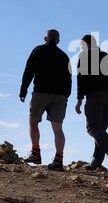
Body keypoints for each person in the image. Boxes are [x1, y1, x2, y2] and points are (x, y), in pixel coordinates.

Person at [19, 29, 71, 170]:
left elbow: (29, 70)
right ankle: (58, 160)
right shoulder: (64, 56)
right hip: (60, 95)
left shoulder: (39, 50)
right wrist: (66, 96)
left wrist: (23, 89)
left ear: (45, 38)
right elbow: (69, 79)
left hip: (41, 92)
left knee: (33, 121)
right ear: (58, 40)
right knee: (58, 128)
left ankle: (35, 153)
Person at [74, 33, 108, 172]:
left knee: (92, 128)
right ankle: (96, 161)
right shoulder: (107, 57)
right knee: (100, 130)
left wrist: (79, 100)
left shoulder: (84, 57)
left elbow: (81, 81)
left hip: (95, 96)